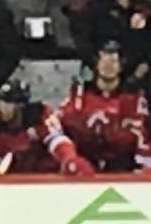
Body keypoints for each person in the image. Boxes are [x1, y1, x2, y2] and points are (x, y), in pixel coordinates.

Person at [52, 42, 144, 175]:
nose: (108, 66)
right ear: (96, 63)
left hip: (121, 167)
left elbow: (141, 134)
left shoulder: (133, 97)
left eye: (113, 61)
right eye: (104, 60)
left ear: (121, 66)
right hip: (85, 165)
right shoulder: (79, 94)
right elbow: (60, 123)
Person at [0, 80, 71, 174]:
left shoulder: (39, 116)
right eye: (1, 102)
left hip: (50, 173)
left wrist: (69, 160)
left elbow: (59, 142)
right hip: (18, 177)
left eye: (10, 103)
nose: (4, 108)